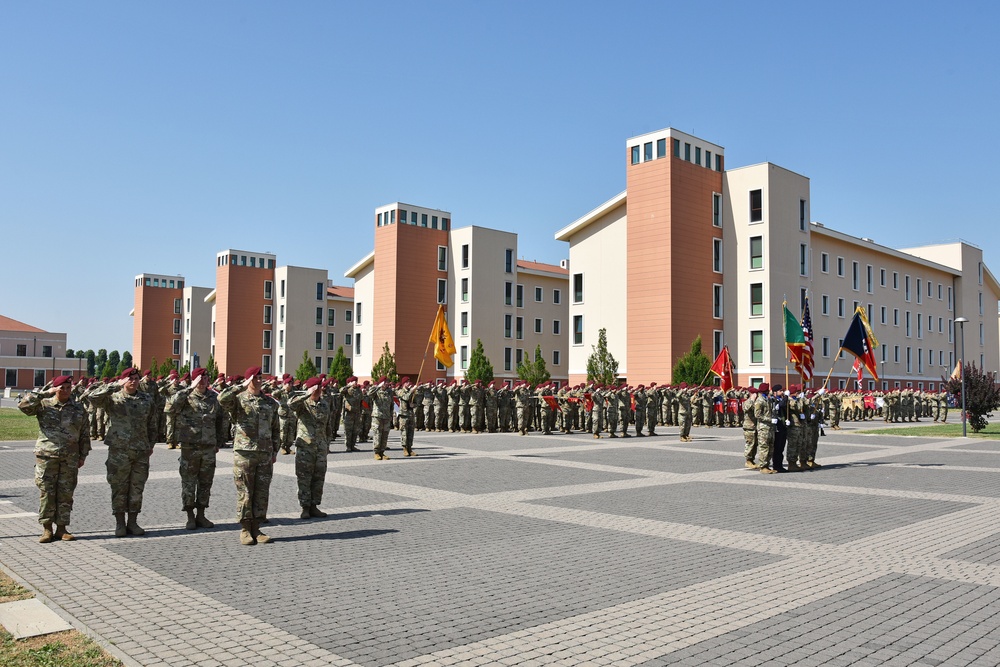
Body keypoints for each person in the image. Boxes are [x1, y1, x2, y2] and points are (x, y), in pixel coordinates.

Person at [87, 367, 158, 537]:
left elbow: (152, 423)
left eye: (136, 378)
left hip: (140, 450)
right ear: (123, 380)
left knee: (137, 487)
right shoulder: (113, 397)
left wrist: (151, 444)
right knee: (119, 486)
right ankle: (119, 523)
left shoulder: (146, 399)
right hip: (119, 449)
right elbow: (92, 398)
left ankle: (132, 522)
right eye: (130, 378)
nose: (133, 381)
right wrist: (113, 386)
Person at [19, 376, 91, 543]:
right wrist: (44, 393)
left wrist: (83, 455)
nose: (65, 391)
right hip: (47, 455)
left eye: (68, 387)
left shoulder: (78, 408)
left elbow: (84, 433)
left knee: (66, 493)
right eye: (62, 388)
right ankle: (46, 529)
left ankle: (62, 529)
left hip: (70, 457)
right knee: (47, 492)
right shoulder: (43, 405)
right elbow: (23, 406)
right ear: (55, 389)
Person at [219, 366, 281, 545]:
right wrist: (241, 386)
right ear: (248, 380)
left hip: (264, 454)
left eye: (261, 377)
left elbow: (276, 429)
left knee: (261, 492)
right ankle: (245, 530)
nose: (259, 380)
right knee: (245, 492)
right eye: (255, 378)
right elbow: (221, 398)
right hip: (244, 453)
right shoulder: (238, 400)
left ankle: (257, 528)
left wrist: (274, 451)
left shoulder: (269, 403)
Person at [165, 367, 227, 530]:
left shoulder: (214, 397)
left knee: (206, 482)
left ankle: (201, 515)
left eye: (206, 378)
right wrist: (189, 388)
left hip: (208, 447)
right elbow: (169, 408)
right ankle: (190, 516)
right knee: (188, 483)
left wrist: (218, 442)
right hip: (189, 447)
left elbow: (221, 420)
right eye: (200, 378)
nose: (204, 381)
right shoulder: (186, 397)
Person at [288, 376, 332, 519]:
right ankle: (305, 507)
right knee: (304, 478)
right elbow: (291, 404)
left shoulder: (324, 405)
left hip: (320, 447)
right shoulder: (303, 404)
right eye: (317, 387)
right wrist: (307, 393)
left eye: (320, 387)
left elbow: (328, 426)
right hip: (305, 447)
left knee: (319, 477)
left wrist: (327, 444)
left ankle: (314, 506)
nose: (320, 390)